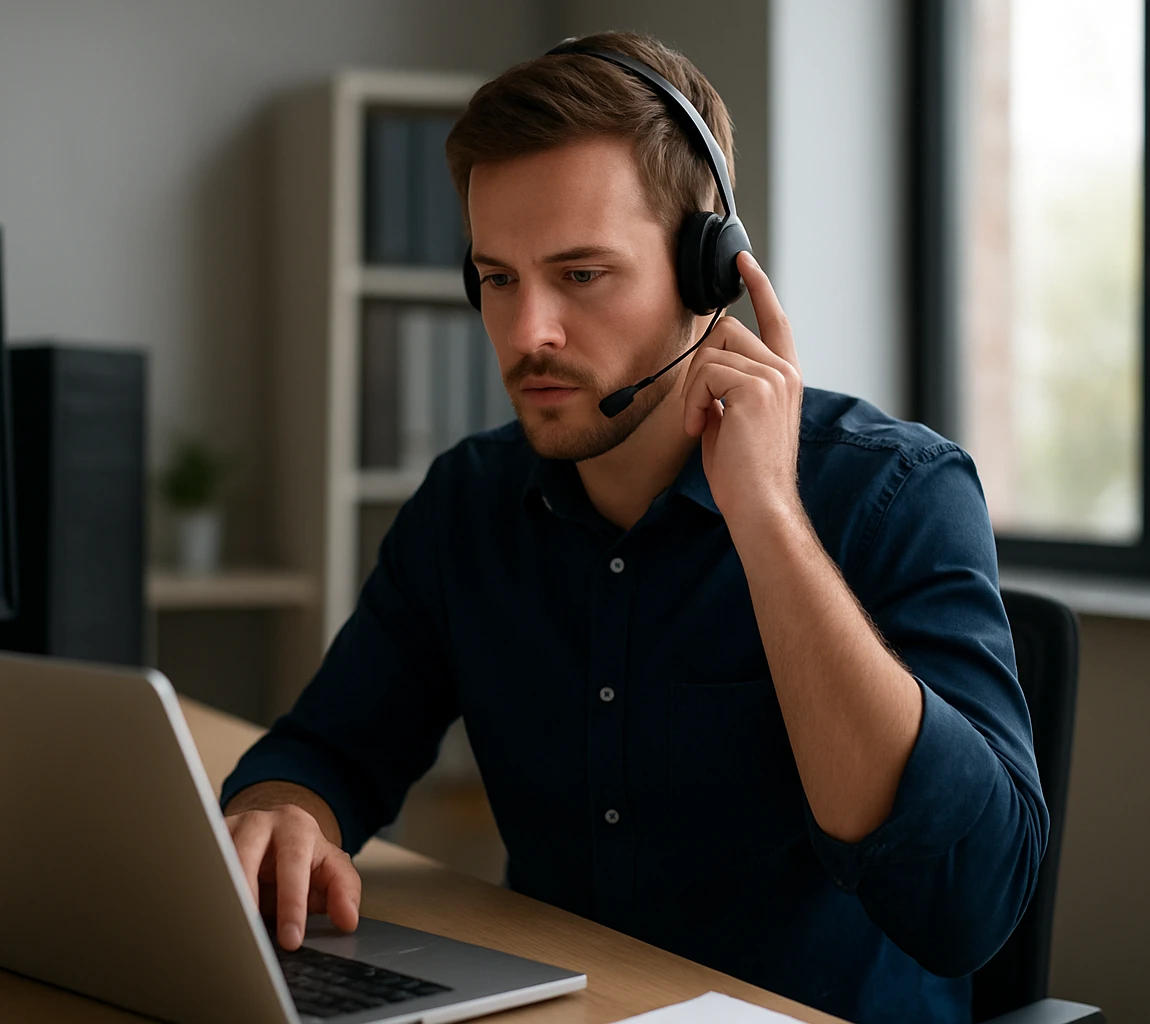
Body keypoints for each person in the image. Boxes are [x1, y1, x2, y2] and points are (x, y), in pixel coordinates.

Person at [221, 31, 1045, 1024]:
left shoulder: (899, 492)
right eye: (497, 278)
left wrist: (768, 516)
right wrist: (282, 811)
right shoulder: (467, 505)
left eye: (581, 274)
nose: (529, 335)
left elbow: (969, 907)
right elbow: (331, 746)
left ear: (710, 275)